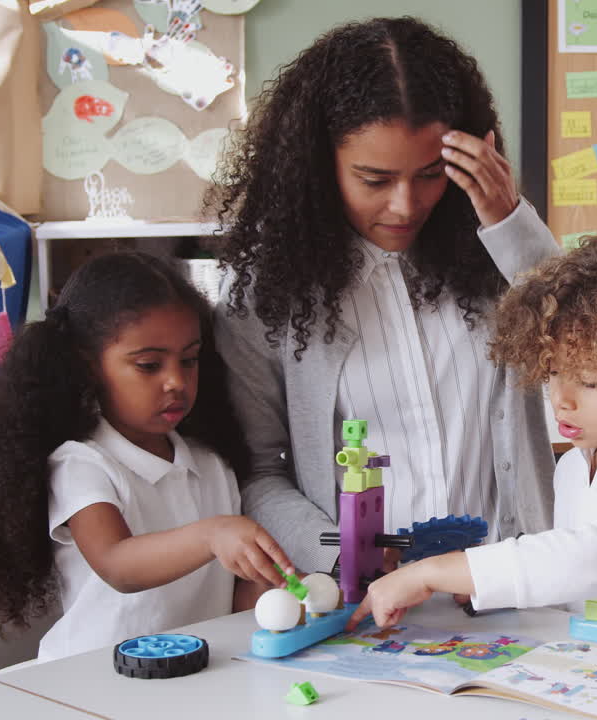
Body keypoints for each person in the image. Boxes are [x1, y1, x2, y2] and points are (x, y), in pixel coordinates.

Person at [208, 17, 558, 577]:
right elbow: (257, 471)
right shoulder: (265, 289)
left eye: (430, 174)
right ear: (317, 170)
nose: (406, 205)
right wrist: (342, 553)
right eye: (375, 180)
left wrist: (509, 224)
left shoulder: (496, 255)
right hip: (366, 603)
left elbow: (586, 343)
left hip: (508, 586)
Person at [349, 238, 597, 631]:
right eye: (555, 372)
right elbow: (571, 586)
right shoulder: (577, 467)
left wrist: (434, 573)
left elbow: (591, 558)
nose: (561, 400)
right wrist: (491, 587)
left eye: (590, 381)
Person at [0, 253, 294, 661]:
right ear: (87, 365)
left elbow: (230, 598)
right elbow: (118, 565)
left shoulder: (211, 464)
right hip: (92, 679)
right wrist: (212, 534)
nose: (176, 382)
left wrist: (275, 589)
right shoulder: (81, 463)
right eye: (149, 365)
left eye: (189, 360)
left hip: (189, 678)